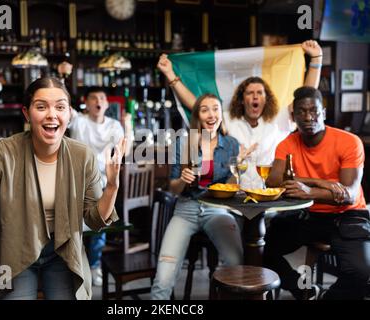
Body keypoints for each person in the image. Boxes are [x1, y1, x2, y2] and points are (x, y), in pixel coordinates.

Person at [0, 77, 125, 300]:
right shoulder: (5, 151)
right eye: (41, 107)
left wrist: (112, 187)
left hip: (64, 251)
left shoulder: (82, 155)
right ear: (27, 114)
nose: (51, 114)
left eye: (60, 107)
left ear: (69, 114)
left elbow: (96, 220)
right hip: (12, 251)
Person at [157, 40, 323, 188]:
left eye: (260, 92)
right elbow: (197, 105)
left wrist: (316, 60)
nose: (255, 96)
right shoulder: (228, 119)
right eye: (250, 93)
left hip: (270, 196)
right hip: (235, 198)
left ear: (267, 99)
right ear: (242, 99)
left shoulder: (279, 119)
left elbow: (305, 98)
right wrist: (170, 74)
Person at [264, 86, 370, 300]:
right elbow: (273, 181)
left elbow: (348, 195)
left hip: (348, 215)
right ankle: (304, 290)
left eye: (314, 110)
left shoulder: (349, 141)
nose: (308, 116)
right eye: (301, 111)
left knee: (361, 272)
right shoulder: (287, 144)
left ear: (323, 112)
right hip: (310, 215)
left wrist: (309, 190)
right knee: (262, 251)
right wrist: (324, 185)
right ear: (293, 116)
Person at [151, 93, 244, 300]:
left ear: (221, 114)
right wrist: (183, 179)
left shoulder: (231, 144)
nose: (211, 114)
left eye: (215, 109)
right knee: (163, 278)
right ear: (197, 116)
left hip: (217, 209)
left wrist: (238, 171)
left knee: (237, 265)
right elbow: (173, 188)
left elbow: (232, 182)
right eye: (204, 110)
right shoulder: (183, 143)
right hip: (186, 209)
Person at [68, 86, 125, 287]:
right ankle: (74, 266)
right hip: (73, 180)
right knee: (71, 225)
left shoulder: (114, 125)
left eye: (102, 98)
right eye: (93, 98)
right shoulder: (78, 121)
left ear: (106, 104)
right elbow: (64, 106)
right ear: (87, 102)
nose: (98, 101)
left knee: (100, 222)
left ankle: (94, 265)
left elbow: (121, 148)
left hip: (101, 181)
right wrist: (64, 77)